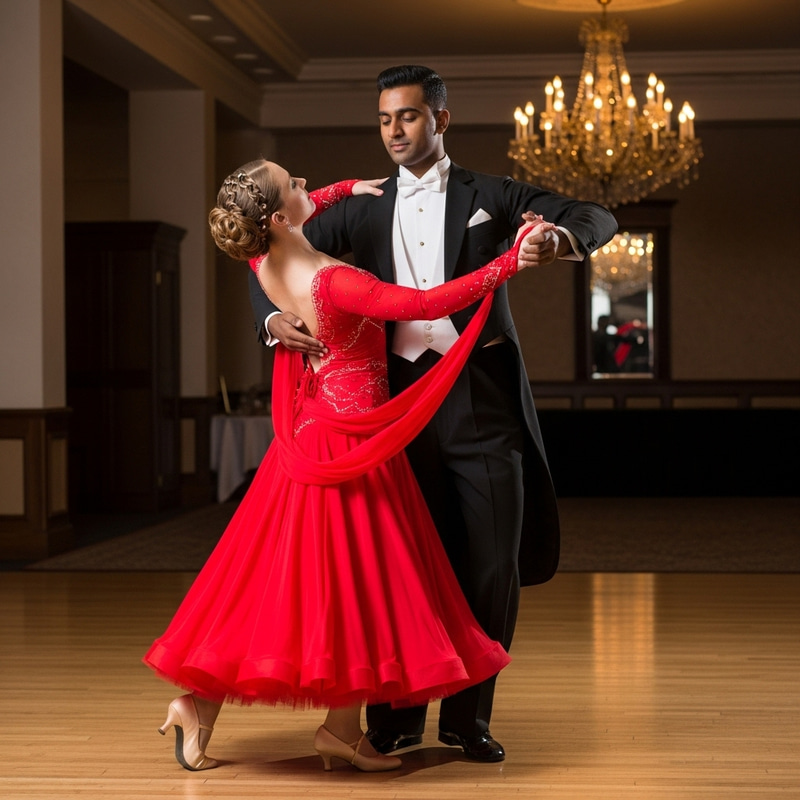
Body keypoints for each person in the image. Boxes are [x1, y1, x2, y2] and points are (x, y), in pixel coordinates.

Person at [249, 65, 618, 762]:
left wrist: (558, 239)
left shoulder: (494, 194)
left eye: (409, 117)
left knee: (491, 560)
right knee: (397, 564)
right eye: (385, 119)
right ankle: (391, 718)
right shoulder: (361, 202)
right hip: (390, 411)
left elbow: (595, 215)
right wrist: (272, 318)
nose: (394, 131)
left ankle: (467, 718)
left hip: (481, 402)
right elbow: (263, 244)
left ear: (440, 120)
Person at [144, 159, 551, 773]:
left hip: (310, 436)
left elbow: (289, 217)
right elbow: (427, 301)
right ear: (278, 216)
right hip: (351, 447)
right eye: (299, 185)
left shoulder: (260, 256)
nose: (313, 186)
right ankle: (305, 723)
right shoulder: (332, 281)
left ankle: (244, 713)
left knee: (294, 586)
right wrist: (506, 264)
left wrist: (340, 191)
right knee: (355, 584)